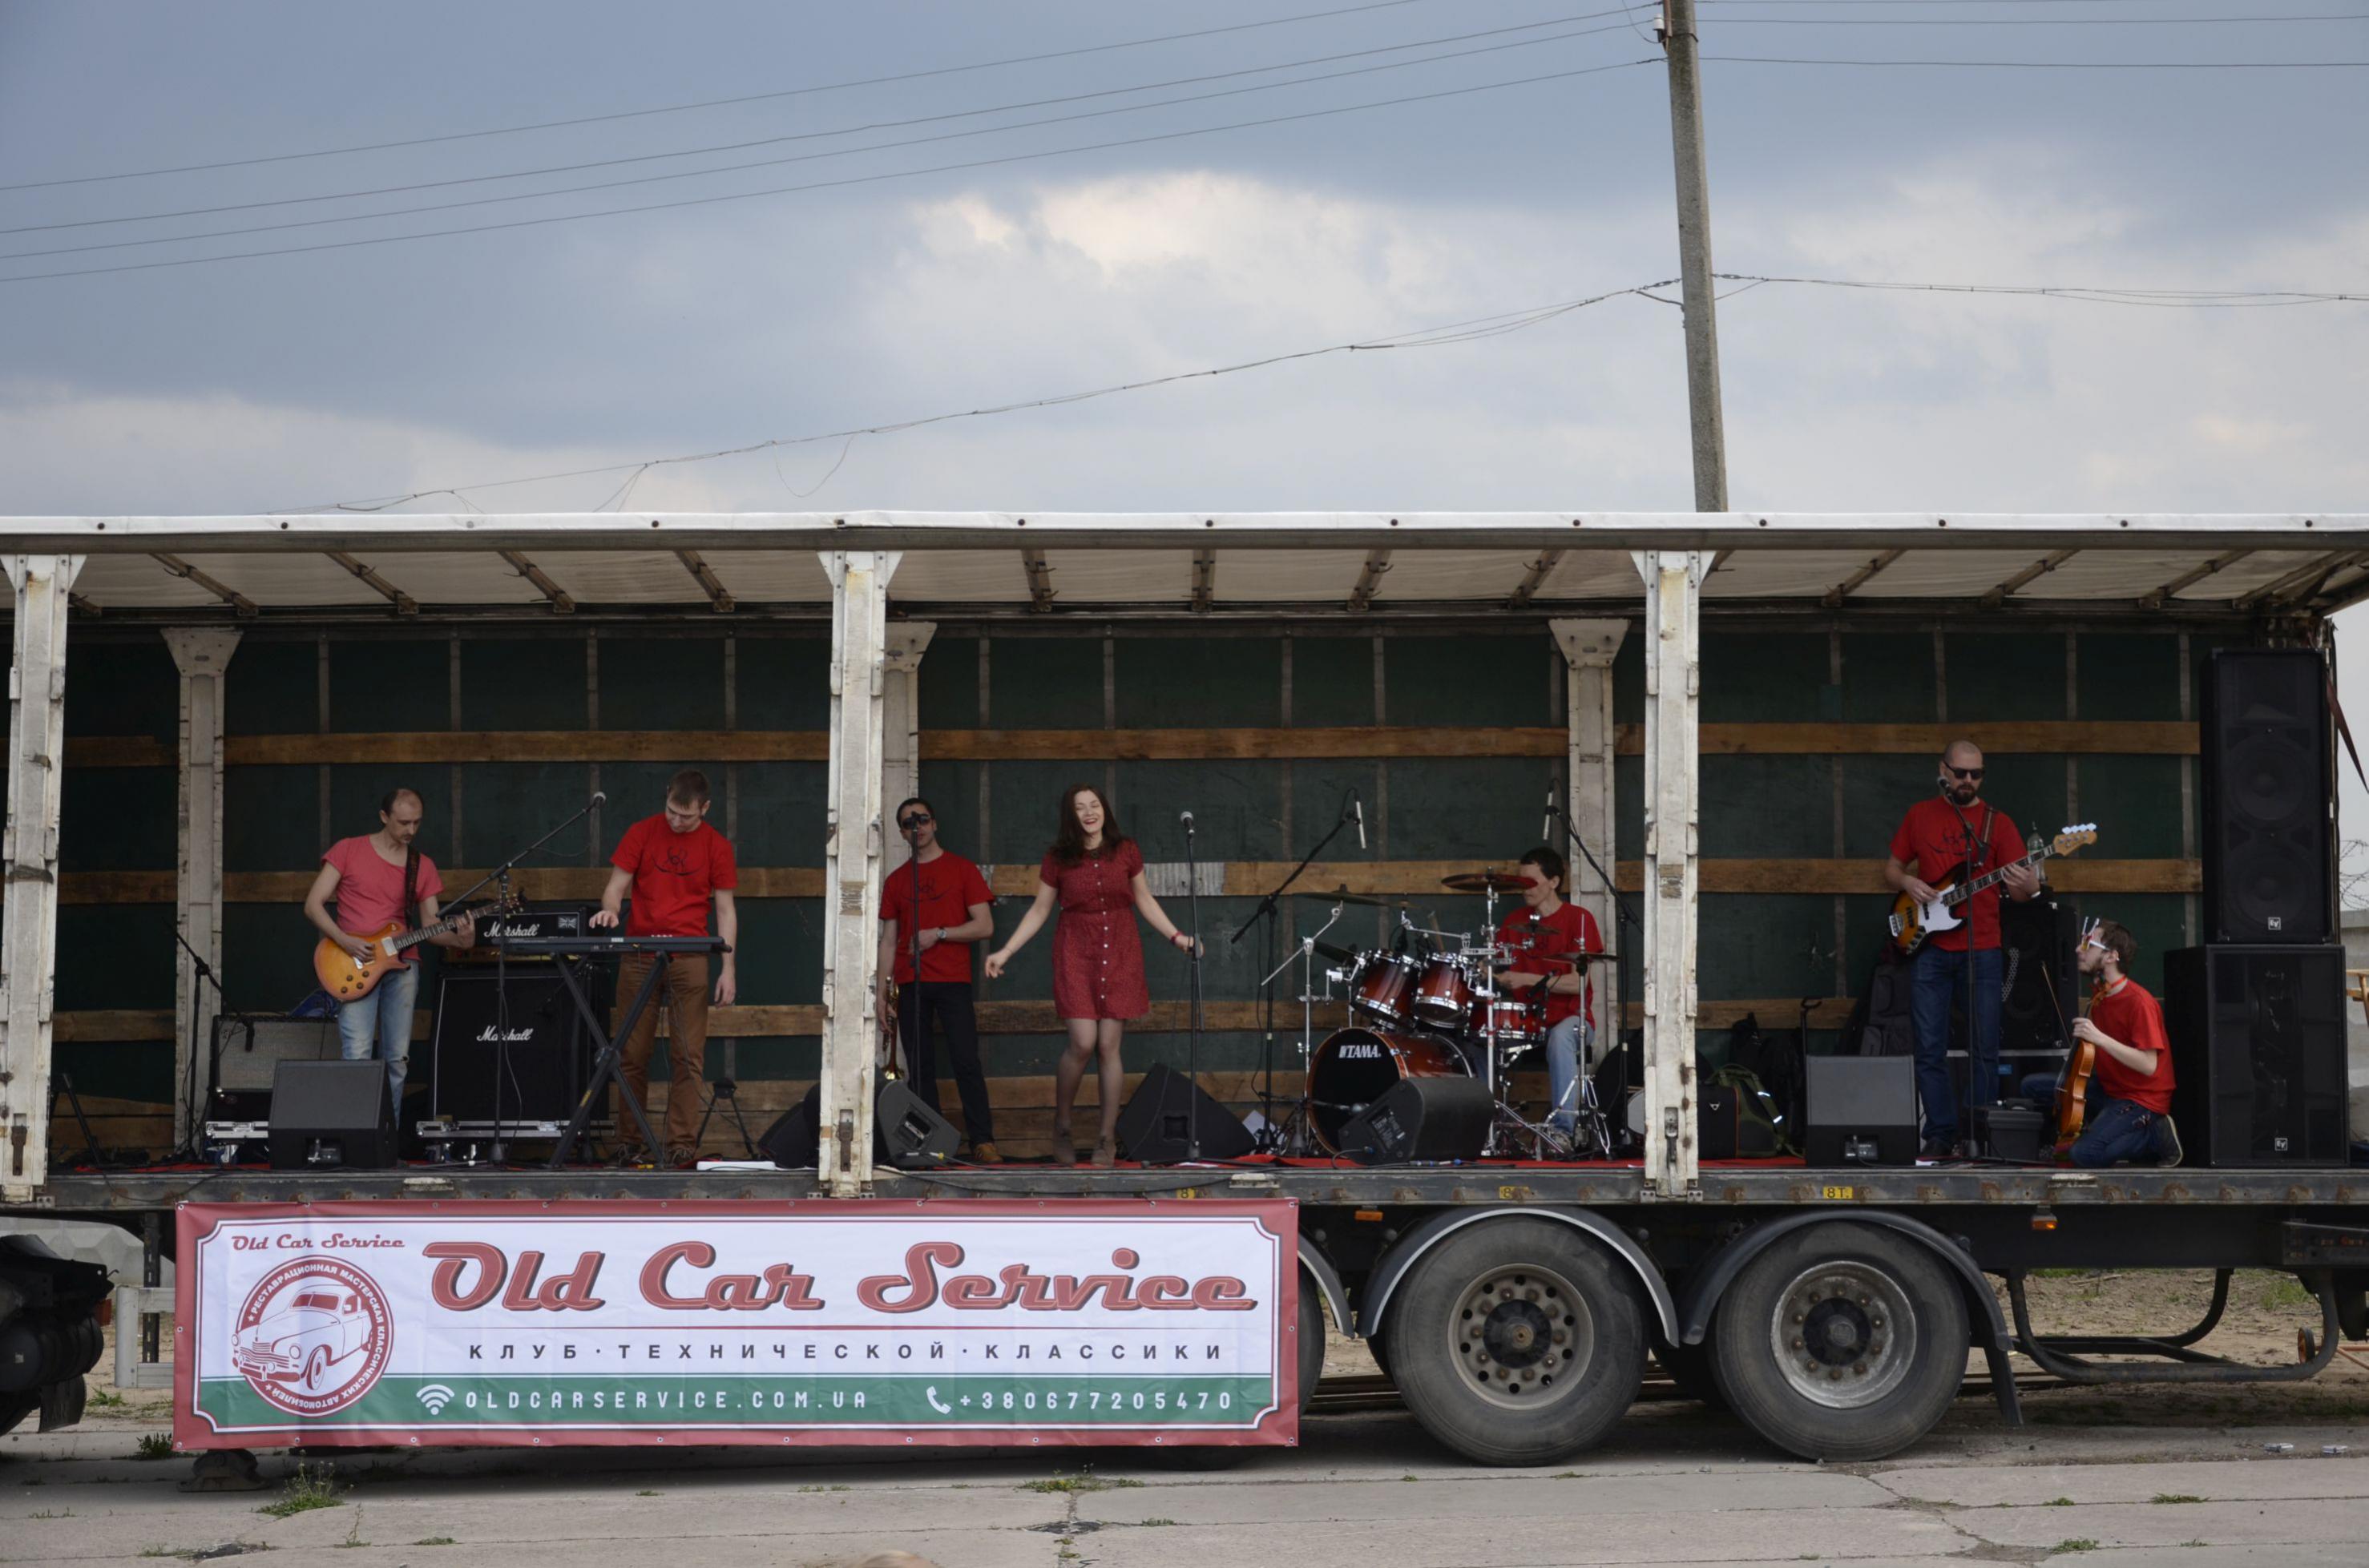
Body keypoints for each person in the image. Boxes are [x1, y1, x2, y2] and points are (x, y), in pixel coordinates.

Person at [983, 784, 1197, 1167]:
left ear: (1104, 810)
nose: (1089, 812)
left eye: (1094, 805)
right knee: (1082, 1042)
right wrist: (1006, 951)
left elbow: (1144, 899)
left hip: (1120, 950)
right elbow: (1039, 910)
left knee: (1109, 1046)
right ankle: (1062, 1126)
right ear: (1071, 815)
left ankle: (1105, 1138)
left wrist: (1177, 937)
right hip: (1076, 951)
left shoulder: (1126, 850)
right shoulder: (1058, 858)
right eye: (1080, 807)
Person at [1884, 740, 2040, 1158]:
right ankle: (1939, 1133)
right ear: (1944, 771)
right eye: (1961, 773)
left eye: (1976, 774)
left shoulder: (1997, 824)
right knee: (1929, 1047)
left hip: (1982, 947)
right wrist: (1908, 883)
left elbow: (2022, 894)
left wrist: (2029, 884)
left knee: (1985, 1048)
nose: (1968, 780)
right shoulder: (1920, 815)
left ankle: (1978, 1132)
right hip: (1929, 948)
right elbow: (1891, 868)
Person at [591, 768, 739, 1167]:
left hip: (690, 955)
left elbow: (725, 910)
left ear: (705, 808)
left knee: (688, 1056)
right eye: (671, 811)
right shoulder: (641, 832)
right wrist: (610, 911)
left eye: (685, 816)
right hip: (640, 952)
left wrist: (728, 968)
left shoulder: (717, 846)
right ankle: (629, 1142)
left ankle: (681, 1145)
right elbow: (615, 887)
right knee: (630, 1053)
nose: (676, 821)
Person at [302, 788, 475, 1105]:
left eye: (417, 823)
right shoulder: (348, 850)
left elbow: (431, 926)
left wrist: (460, 940)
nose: (411, 830)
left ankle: (387, 1133)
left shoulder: (421, 865)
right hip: (354, 962)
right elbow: (313, 905)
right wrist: (344, 940)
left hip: (402, 964)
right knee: (357, 1054)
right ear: (384, 817)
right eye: (404, 822)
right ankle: (357, 1132)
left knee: (397, 1059)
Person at [876, 796, 1001, 1163]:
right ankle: (931, 1145)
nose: (916, 827)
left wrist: (940, 934)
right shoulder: (896, 880)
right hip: (910, 982)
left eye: (922, 819)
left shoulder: (962, 869)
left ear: (934, 823)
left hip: (952, 980)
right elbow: (888, 940)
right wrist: (882, 993)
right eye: (908, 823)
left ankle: (983, 1141)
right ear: (902, 833)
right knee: (920, 1068)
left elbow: (985, 926)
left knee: (966, 1061)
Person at [2019, 919, 2181, 1169]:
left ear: (2111, 957)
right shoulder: (2100, 995)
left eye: (2088, 945)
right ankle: (2088, 1131)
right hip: (2110, 1089)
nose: (2078, 950)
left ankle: (2153, 1137)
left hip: (2141, 1099)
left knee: (2084, 1155)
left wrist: (2100, 1038)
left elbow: (2149, 1065)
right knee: (2031, 1086)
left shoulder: (2139, 1002)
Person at [1491, 847, 1604, 1143]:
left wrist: (1525, 979)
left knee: (1561, 1037)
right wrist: (1482, 970)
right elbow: (1494, 965)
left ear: (1554, 882)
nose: (1525, 888)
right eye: (1522, 882)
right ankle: (1485, 1126)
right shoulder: (1513, 922)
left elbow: (1577, 983)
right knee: (1478, 1039)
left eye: (1532, 881)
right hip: (1526, 1021)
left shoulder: (1579, 919)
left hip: (1573, 1020)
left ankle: (1562, 1132)